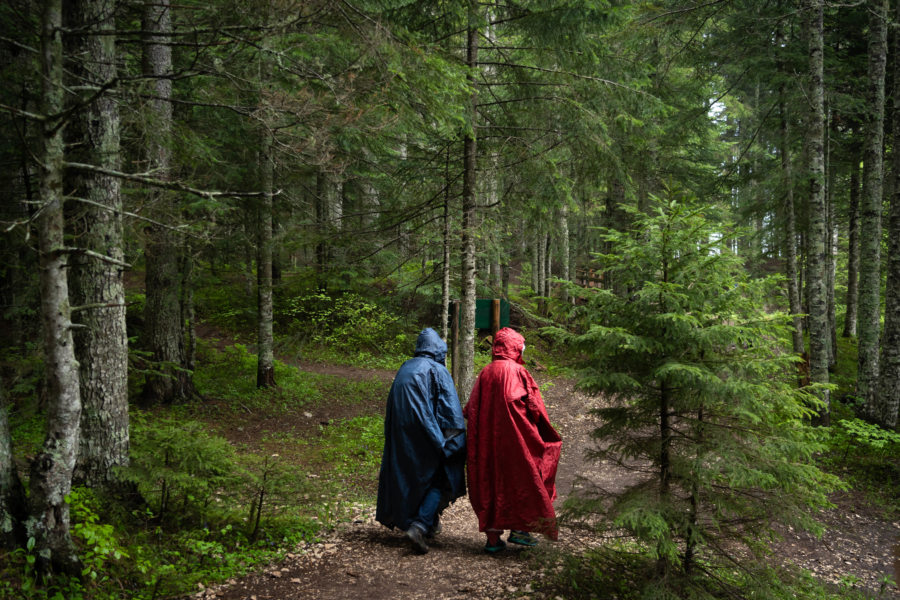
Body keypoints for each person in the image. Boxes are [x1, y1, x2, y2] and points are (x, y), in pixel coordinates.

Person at [464, 327, 562, 553]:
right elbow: (535, 407)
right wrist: (543, 431)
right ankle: (521, 531)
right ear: (514, 347)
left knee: (490, 480)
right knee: (523, 478)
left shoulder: (486, 372)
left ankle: (492, 539)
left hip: (488, 441)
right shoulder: (518, 372)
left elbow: (472, 408)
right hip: (518, 439)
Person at [376, 327, 466, 554]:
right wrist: (454, 440)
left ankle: (423, 523)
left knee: (410, 478)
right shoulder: (437, 370)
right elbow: (450, 410)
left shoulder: (405, 367)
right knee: (442, 477)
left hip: (402, 438)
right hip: (428, 435)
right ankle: (420, 525)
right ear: (438, 350)